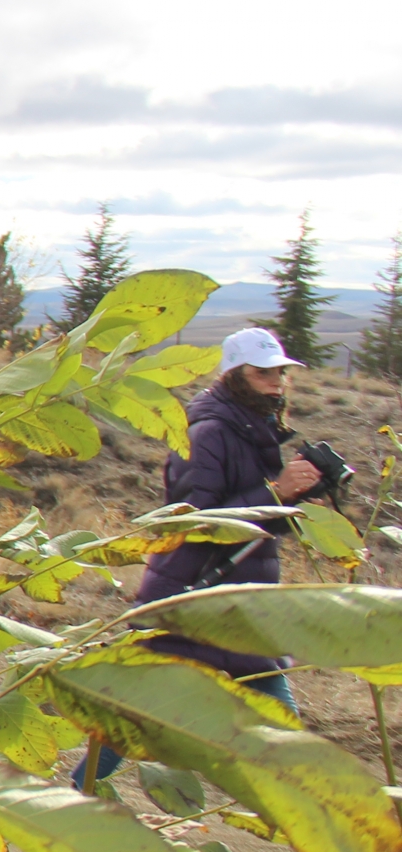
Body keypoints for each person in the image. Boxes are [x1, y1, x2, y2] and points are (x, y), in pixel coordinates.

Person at [79, 326, 322, 783]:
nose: (277, 381)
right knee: (134, 720)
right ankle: (74, 801)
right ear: (235, 375)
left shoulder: (255, 431)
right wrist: (276, 491)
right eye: (263, 372)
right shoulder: (208, 432)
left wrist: (299, 497)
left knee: (284, 734)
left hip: (239, 606)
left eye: (282, 372)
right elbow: (195, 522)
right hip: (191, 602)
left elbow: (254, 520)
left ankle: (317, 847)